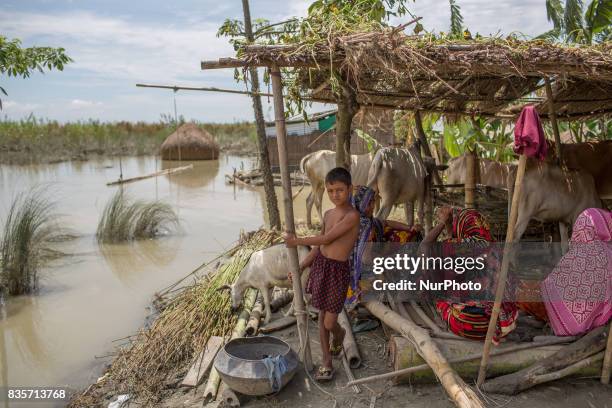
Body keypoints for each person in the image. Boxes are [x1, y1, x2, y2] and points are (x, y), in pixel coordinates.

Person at [284, 167, 360, 382]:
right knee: (320, 318)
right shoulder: (328, 214)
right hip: (322, 266)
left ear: (350, 189)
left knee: (329, 322)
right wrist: (302, 266)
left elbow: (326, 239)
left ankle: (340, 333)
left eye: (340, 190)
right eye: (330, 191)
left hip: (338, 271)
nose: (335, 195)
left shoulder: (352, 216)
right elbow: (320, 247)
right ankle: (326, 361)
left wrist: (296, 241)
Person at [421, 206, 518, 343]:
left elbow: (423, 247)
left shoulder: (462, 246)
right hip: (501, 321)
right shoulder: (497, 248)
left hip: (470, 323)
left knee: (438, 293)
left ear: (462, 226)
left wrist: (443, 223)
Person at [346, 185, 423, 309]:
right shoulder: (365, 227)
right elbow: (366, 259)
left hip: (362, 264)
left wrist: (409, 228)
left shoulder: (366, 221)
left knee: (404, 238)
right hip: (359, 273)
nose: (372, 207)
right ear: (360, 204)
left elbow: (385, 222)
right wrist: (386, 263)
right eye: (369, 204)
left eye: (373, 202)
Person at [540, 208, 612, 336]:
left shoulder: (573, 254)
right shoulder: (606, 252)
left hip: (559, 323)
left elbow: (549, 284)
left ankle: (567, 326)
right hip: (594, 323)